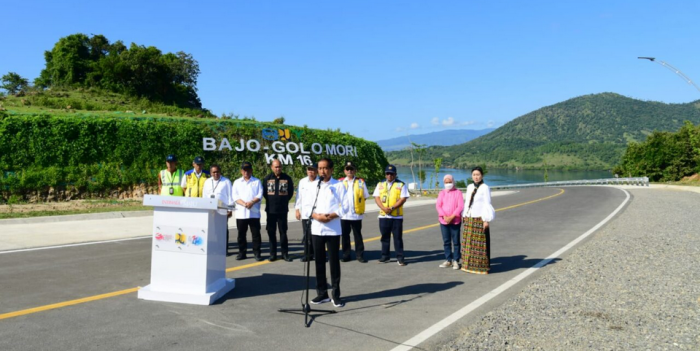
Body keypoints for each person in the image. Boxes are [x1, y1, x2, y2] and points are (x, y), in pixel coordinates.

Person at [309, 158, 348, 308]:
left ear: (331, 170)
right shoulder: (314, 186)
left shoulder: (338, 185)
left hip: (332, 228)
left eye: (325, 168)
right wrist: (316, 216)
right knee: (318, 261)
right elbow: (307, 206)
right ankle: (322, 293)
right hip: (317, 228)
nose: (322, 171)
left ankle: (336, 294)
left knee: (333, 262)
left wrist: (331, 216)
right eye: (319, 168)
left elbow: (344, 206)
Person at [373, 164, 410, 266]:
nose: (389, 175)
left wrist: (392, 208)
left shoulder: (401, 185)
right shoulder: (380, 184)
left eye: (392, 174)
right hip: (383, 215)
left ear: (395, 174)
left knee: (397, 238)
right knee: (384, 237)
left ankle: (400, 257)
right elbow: (377, 197)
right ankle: (385, 256)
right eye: (388, 173)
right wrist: (383, 208)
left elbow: (403, 199)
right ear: (385, 174)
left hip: (396, 216)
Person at [461, 166, 496, 274]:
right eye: (474, 175)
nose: (476, 177)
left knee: (480, 244)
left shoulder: (485, 187)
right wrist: (464, 214)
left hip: (479, 218)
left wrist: (486, 220)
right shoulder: (470, 187)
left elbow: (487, 203)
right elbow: (467, 202)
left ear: (482, 176)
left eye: (478, 175)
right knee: (468, 243)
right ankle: (468, 265)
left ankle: (481, 267)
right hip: (469, 217)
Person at [262, 159, 295, 262]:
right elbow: (264, 193)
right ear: (272, 167)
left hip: (282, 211)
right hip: (271, 211)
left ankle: (285, 254)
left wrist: (283, 201)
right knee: (271, 233)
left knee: (283, 233)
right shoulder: (267, 179)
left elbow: (290, 193)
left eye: (279, 167)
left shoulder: (287, 178)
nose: (278, 169)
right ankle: (273, 254)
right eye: (276, 167)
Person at [338, 161, 370, 263]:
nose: (350, 171)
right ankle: (346, 254)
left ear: (355, 170)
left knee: (357, 235)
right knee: (345, 236)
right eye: (347, 169)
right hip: (344, 215)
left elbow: (364, 196)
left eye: (351, 169)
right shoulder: (340, 182)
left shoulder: (361, 182)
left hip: (356, 214)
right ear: (344, 171)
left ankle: (359, 255)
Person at [232, 162, 264, 261]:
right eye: (244, 170)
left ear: (251, 170)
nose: (246, 172)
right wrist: (244, 204)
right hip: (241, 213)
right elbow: (235, 196)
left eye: (248, 170)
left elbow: (260, 195)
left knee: (256, 235)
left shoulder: (257, 181)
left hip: (254, 213)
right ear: (241, 171)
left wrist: (251, 202)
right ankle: (242, 253)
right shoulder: (237, 182)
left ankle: (257, 253)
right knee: (241, 235)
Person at [201, 164, 233, 254]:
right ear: (210, 173)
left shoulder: (226, 181)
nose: (216, 174)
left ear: (220, 172)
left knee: (222, 231)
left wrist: (230, 209)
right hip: (210, 210)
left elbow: (230, 196)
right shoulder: (207, 182)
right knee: (212, 230)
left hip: (222, 210)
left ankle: (224, 249)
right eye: (214, 172)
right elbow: (205, 196)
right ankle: (214, 248)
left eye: (217, 172)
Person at [435, 174, 464, 270]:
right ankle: (448, 260)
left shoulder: (458, 192)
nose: (448, 184)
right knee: (446, 241)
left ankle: (456, 260)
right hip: (444, 221)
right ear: (444, 183)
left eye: (450, 182)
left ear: (453, 181)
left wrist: (452, 216)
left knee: (456, 242)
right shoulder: (442, 193)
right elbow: (438, 205)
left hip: (455, 220)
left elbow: (460, 206)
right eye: (446, 182)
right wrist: (444, 216)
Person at [295, 163, 319, 262]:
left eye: (312, 170)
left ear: (316, 171)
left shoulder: (320, 181)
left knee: (317, 236)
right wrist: (297, 209)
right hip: (305, 213)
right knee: (307, 235)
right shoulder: (302, 182)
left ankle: (318, 255)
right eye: (309, 169)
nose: (310, 172)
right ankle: (308, 254)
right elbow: (299, 197)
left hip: (317, 213)